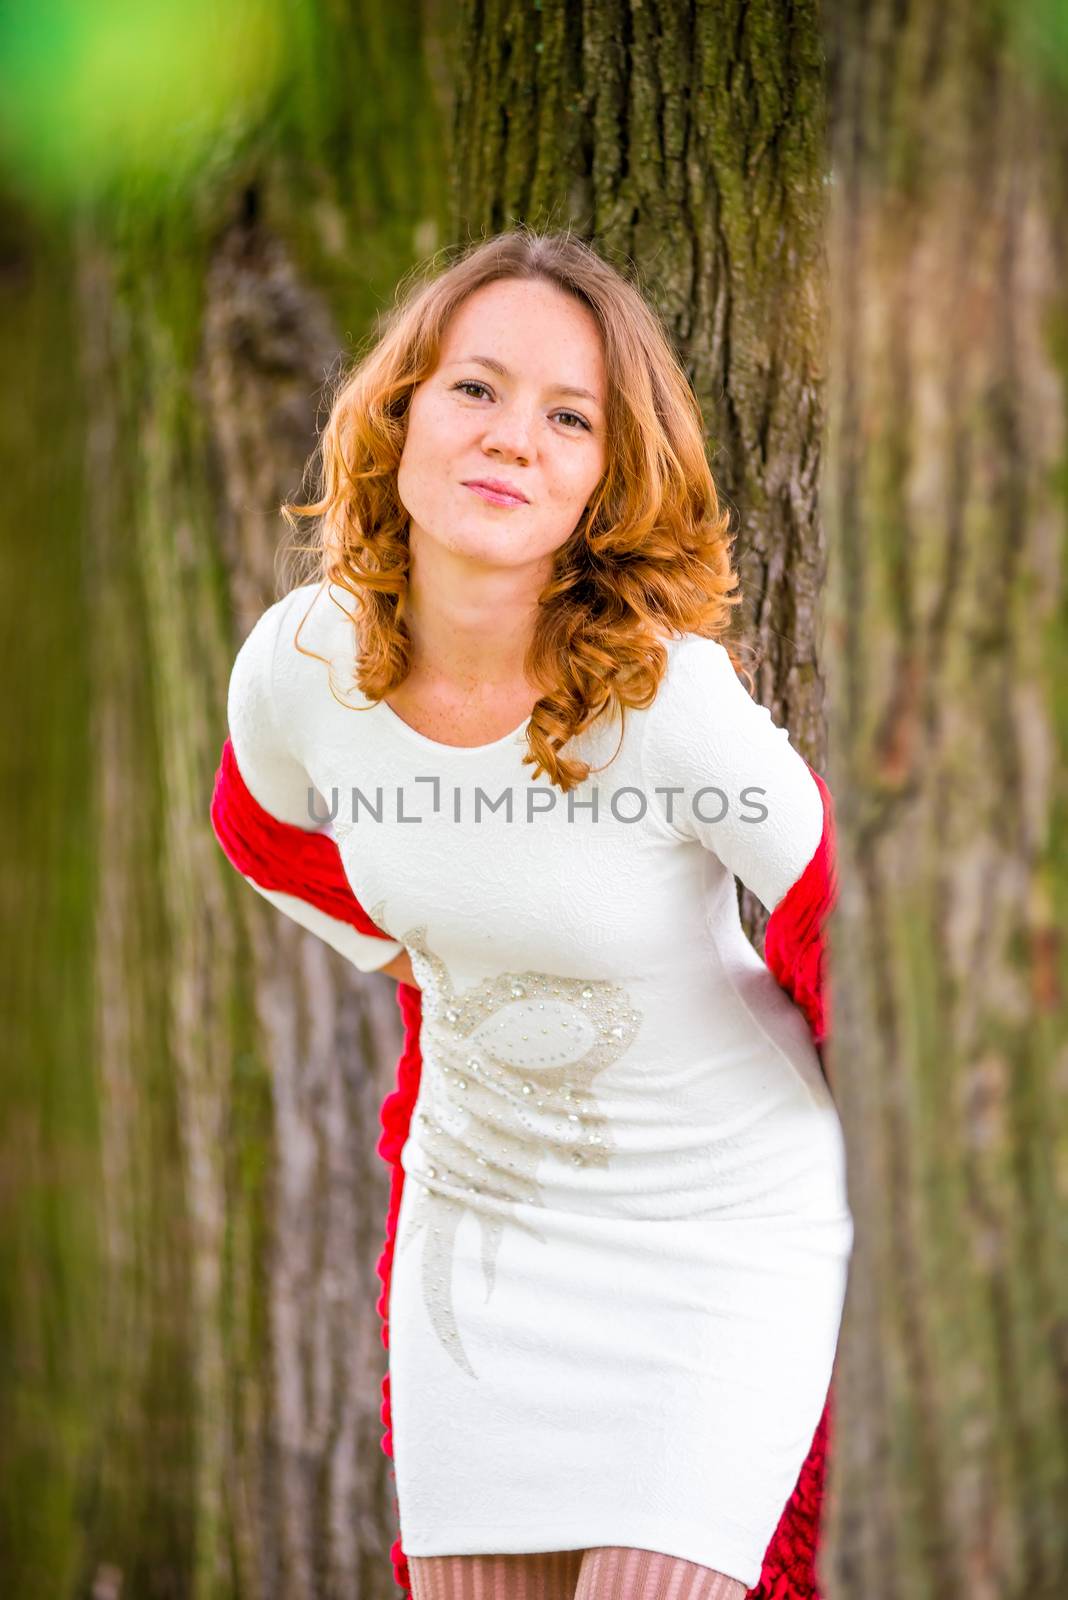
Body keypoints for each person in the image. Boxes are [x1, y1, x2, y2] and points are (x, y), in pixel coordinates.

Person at [210, 226, 852, 1600]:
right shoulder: (301, 666)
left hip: (720, 1229)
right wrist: (425, 961)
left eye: (571, 418)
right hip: (485, 1234)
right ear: (400, 413)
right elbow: (260, 839)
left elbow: (836, 925)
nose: (515, 439)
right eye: (477, 390)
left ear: (609, 479)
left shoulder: (668, 702)